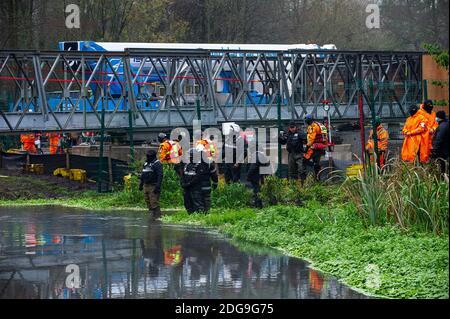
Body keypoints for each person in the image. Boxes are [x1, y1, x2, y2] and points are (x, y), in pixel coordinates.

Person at [181, 148, 218, 214]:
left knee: (202, 204)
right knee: (198, 203)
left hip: (201, 187)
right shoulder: (190, 164)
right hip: (198, 188)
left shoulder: (203, 164)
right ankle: (202, 215)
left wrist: (215, 183)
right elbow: (214, 175)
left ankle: (203, 215)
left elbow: (198, 177)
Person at [139, 150, 164, 220]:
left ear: (153, 156)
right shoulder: (146, 164)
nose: (147, 157)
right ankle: (152, 215)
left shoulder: (157, 164)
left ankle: (158, 217)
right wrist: (141, 184)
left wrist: (158, 186)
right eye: (147, 156)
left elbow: (160, 175)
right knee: (147, 201)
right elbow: (143, 175)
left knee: (154, 201)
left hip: (153, 185)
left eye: (149, 156)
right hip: (146, 185)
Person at [303, 114, 328, 180]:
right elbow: (325, 136)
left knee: (304, 160)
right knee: (316, 162)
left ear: (308, 120)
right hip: (321, 146)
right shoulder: (321, 125)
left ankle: (304, 179)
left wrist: (306, 148)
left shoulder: (312, 126)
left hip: (314, 147)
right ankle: (318, 179)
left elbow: (311, 139)